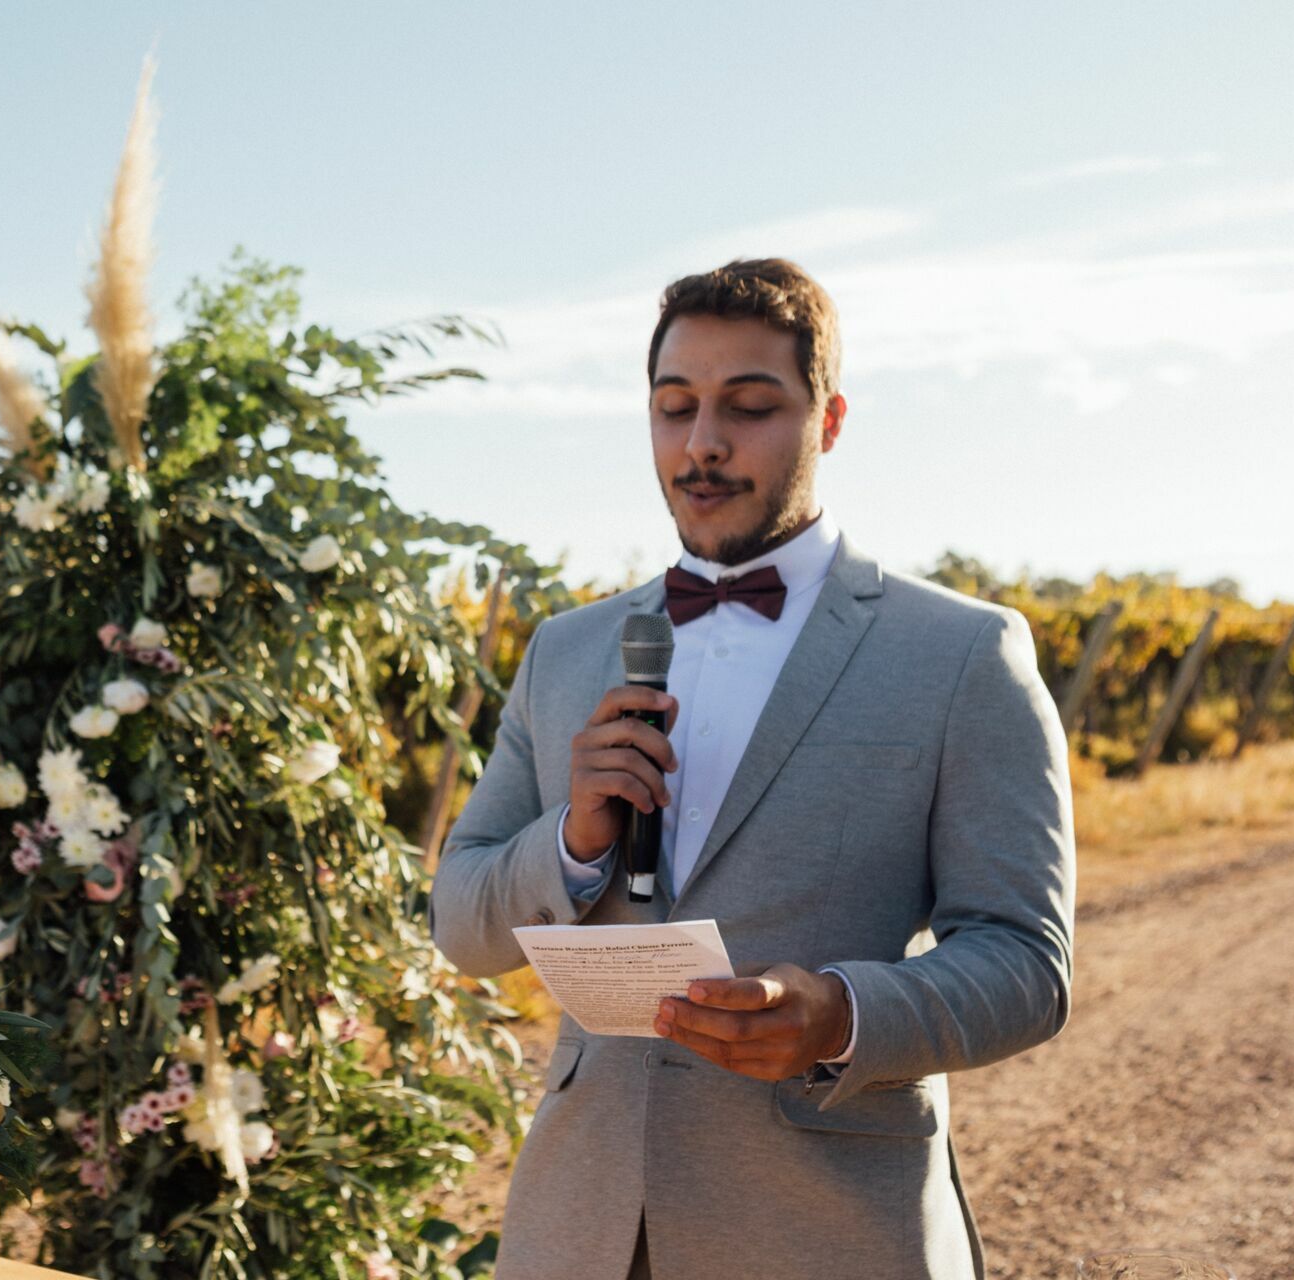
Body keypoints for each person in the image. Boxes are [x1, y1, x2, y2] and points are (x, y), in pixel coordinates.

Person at [428, 258, 1076, 1279]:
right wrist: (573, 840)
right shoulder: (565, 650)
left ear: (829, 419)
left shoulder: (962, 654)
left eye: (750, 406)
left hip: (829, 1234)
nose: (703, 443)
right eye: (674, 406)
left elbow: (1026, 962)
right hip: (581, 1231)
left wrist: (841, 1012)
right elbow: (460, 922)